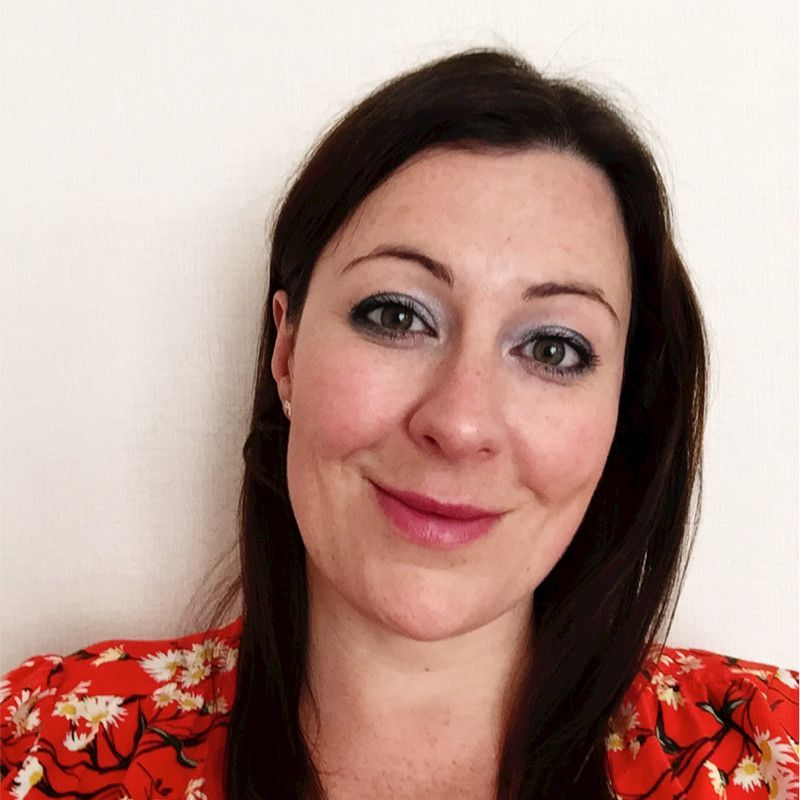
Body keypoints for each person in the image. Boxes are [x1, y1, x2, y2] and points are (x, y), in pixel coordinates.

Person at [1, 48, 797, 800]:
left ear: (626, 410)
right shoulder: (36, 750)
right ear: (285, 350)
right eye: (395, 314)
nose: (458, 421)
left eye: (555, 347)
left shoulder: (773, 754)